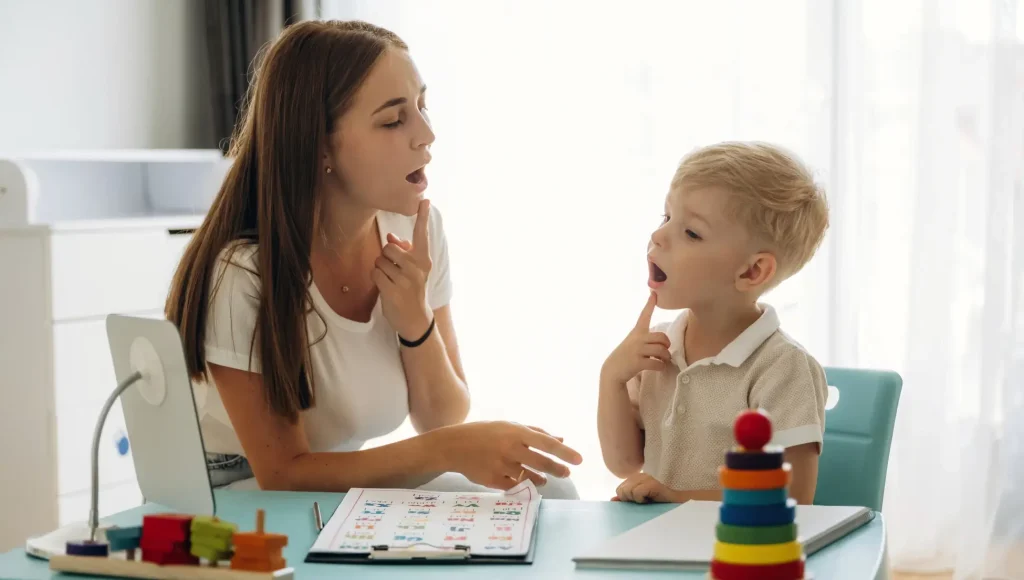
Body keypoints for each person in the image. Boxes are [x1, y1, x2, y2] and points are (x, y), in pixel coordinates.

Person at [165, 20, 581, 498]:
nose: (427, 134)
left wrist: (416, 323)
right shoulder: (241, 275)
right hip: (241, 488)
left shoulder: (415, 231)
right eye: (393, 120)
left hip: (339, 476)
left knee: (550, 493)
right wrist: (449, 450)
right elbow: (282, 474)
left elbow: (440, 419)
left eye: (422, 107)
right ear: (320, 144)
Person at [597, 141, 830, 505]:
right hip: (663, 547)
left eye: (691, 233)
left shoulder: (783, 368)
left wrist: (677, 498)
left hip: (740, 555)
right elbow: (624, 462)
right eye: (666, 218)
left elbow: (793, 498)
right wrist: (611, 377)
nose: (658, 236)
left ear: (752, 271)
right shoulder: (657, 348)